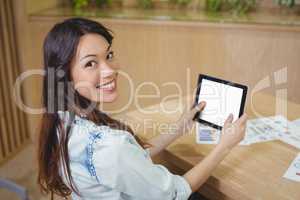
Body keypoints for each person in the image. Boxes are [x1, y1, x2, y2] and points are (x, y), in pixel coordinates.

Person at [37, 18, 247, 200]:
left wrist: (180, 126)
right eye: (91, 63)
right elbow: (175, 193)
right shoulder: (111, 147)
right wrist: (224, 146)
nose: (110, 70)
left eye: (108, 55)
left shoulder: (62, 121)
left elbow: (130, 161)